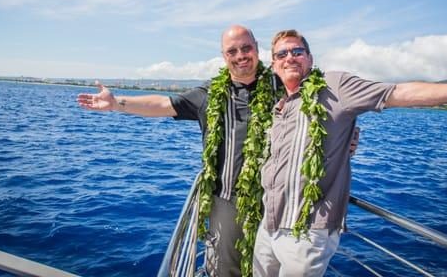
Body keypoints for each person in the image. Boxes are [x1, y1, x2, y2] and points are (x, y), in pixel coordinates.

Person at [77, 25, 360, 277]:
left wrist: (350, 134)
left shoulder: (282, 83)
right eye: (232, 51)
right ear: (224, 57)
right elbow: (164, 105)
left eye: (246, 48)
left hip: (279, 202)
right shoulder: (210, 94)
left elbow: (325, 108)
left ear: (258, 50)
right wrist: (117, 103)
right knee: (227, 270)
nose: (241, 55)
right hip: (227, 200)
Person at [253, 29, 447, 277]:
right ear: (274, 64)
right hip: (270, 224)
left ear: (309, 58)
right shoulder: (280, 107)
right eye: (281, 54)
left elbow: (396, 93)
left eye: (297, 52)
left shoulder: (335, 86)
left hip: (306, 232)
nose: (289, 58)